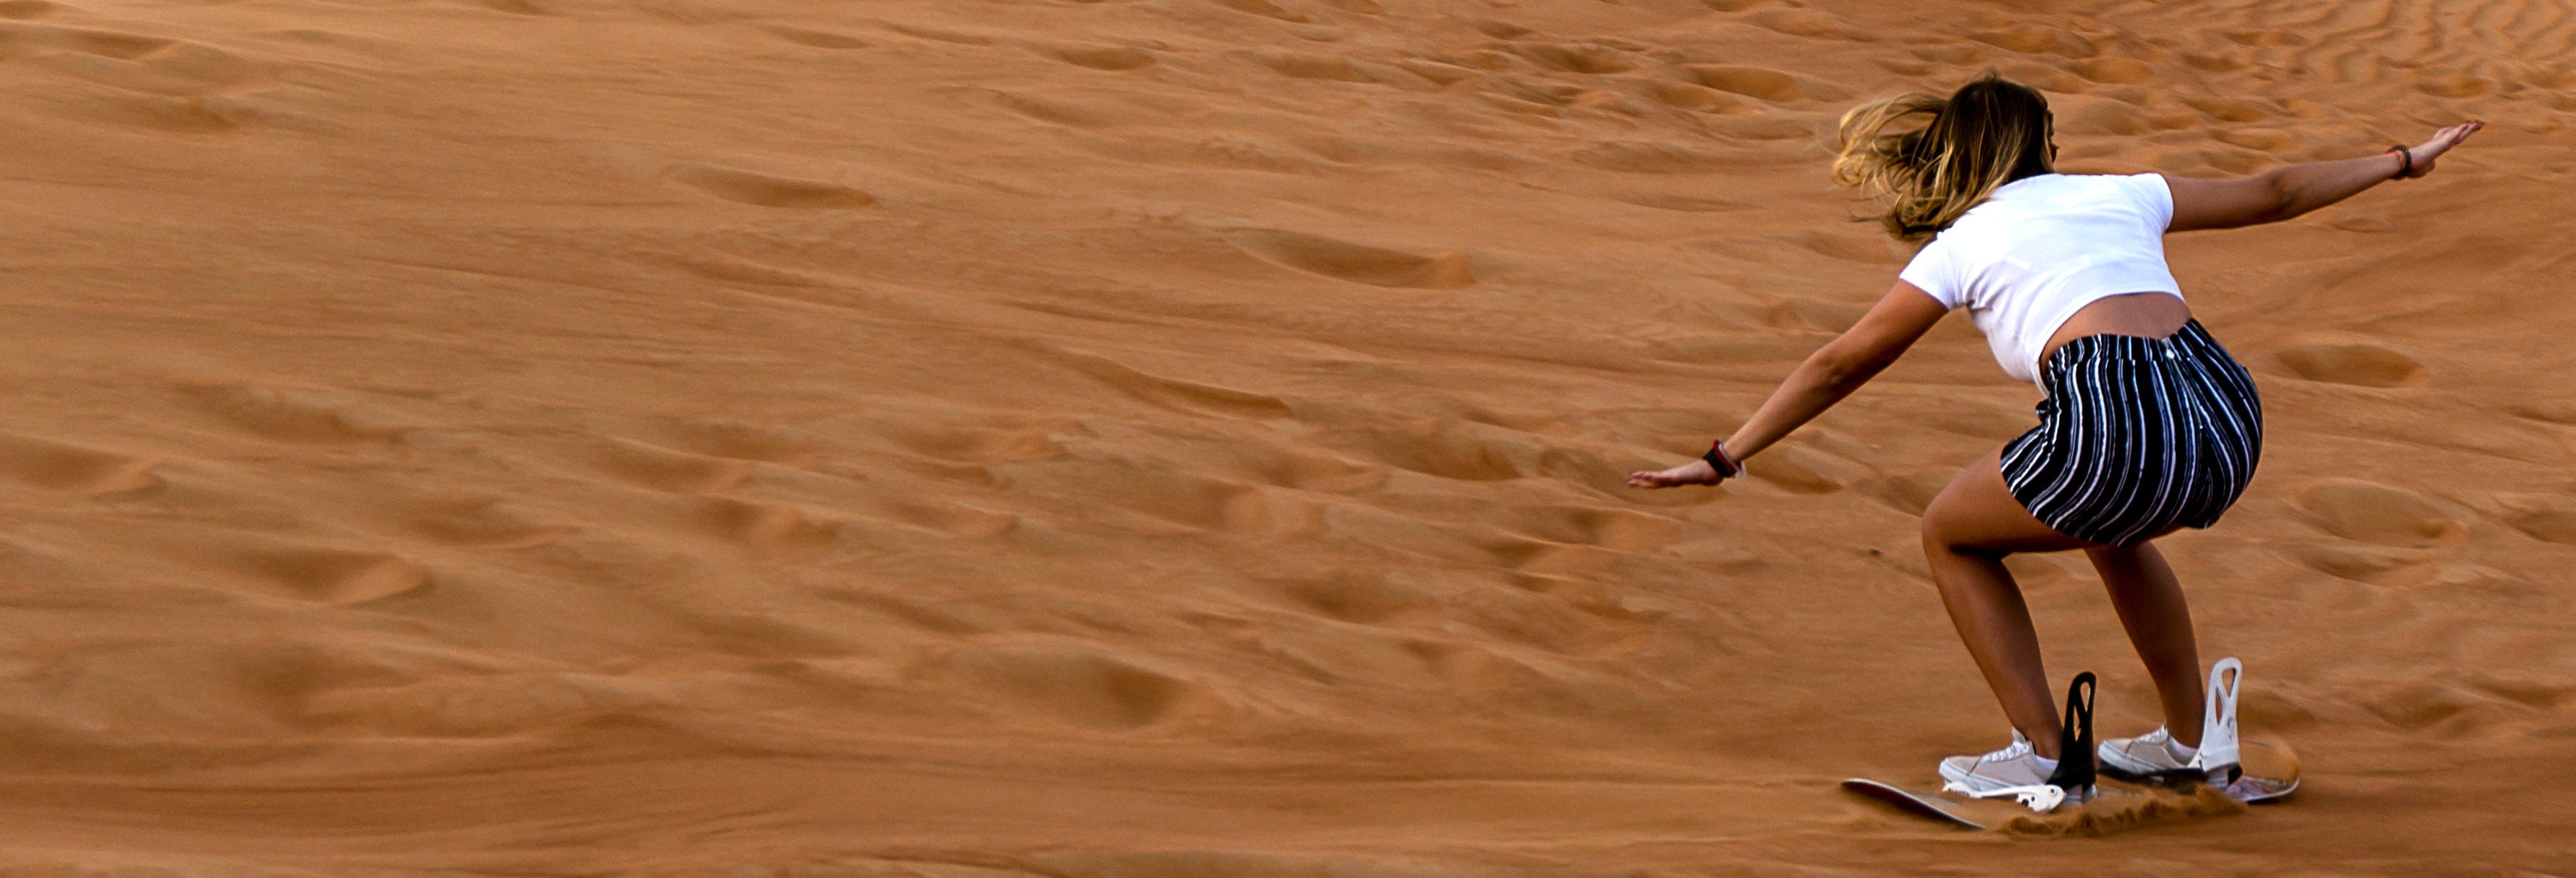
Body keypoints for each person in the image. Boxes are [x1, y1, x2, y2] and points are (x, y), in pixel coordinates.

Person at [1627, 71, 2481, 796]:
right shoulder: (2120, 191)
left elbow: (1841, 362)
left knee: (1948, 533)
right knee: (2114, 531)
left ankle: (2041, 754)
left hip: (2117, 411)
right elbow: (2276, 191)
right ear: (2043, 147)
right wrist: (2401, 161)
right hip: (2224, 411)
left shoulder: (1962, 243)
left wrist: (1725, 455)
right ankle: (2192, 745)